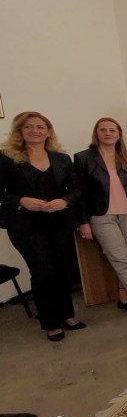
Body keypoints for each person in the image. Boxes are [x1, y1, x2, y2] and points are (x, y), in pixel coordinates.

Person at [0, 112, 84, 341]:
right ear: (20, 130)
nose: (35, 131)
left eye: (40, 127)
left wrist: (65, 201)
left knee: (63, 269)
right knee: (43, 271)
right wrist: (21, 201)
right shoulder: (6, 158)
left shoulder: (61, 158)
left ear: (48, 132)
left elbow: (77, 189)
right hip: (26, 226)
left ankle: (67, 314)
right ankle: (50, 322)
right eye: (29, 126)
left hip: (59, 222)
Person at [74, 118, 127, 320]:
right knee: (120, 259)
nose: (108, 133)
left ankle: (123, 298)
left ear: (119, 134)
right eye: (103, 130)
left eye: (112, 130)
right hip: (102, 216)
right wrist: (83, 222)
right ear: (96, 133)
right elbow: (80, 193)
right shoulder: (83, 158)